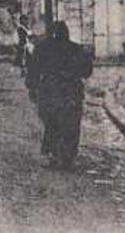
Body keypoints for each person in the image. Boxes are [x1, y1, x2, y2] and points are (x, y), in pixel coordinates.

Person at [25, 21, 94, 170]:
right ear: (67, 33)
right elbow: (87, 71)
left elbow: (33, 70)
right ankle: (68, 156)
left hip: (49, 91)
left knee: (52, 123)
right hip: (71, 92)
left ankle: (55, 154)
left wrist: (32, 87)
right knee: (71, 125)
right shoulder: (76, 49)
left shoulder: (42, 48)